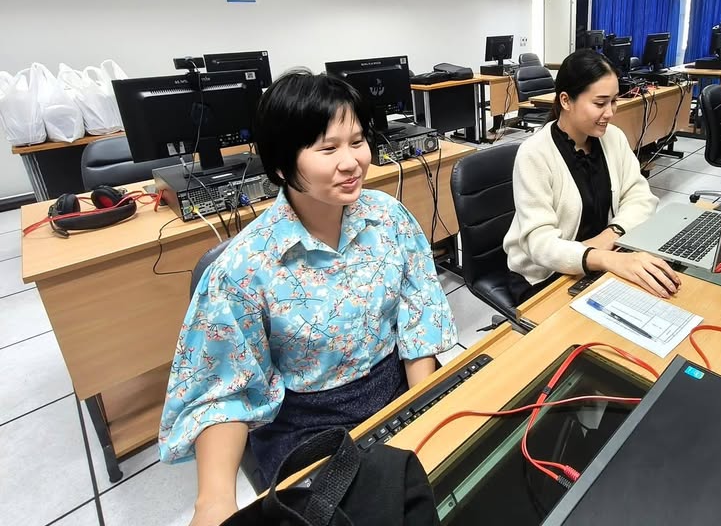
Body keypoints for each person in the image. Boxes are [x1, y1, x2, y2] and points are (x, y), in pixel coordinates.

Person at [159, 70, 458, 526]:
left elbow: (420, 319)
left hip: (395, 394)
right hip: (308, 430)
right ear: (282, 164)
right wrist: (214, 502)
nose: (351, 162)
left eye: (357, 141)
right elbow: (221, 390)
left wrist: (423, 412)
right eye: (327, 148)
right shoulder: (243, 268)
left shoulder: (389, 218)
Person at [503, 49, 681, 302]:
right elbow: (540, 244)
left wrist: (612, 233)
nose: (610, 112)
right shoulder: (535, 154)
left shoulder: (613, 137)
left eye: (614, 101)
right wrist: (602, 257)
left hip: (604, 256)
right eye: (600, 103)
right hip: (546, 274)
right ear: (566, 101)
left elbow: (640, 197)